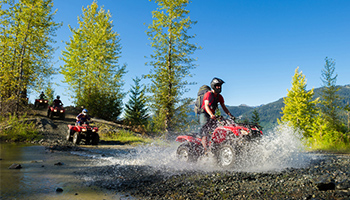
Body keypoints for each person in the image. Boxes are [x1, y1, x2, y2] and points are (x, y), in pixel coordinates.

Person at [199, 77, 234, 153]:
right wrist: (211, 114)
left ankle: (214, 146)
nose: (219, 87)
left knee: (216, 128)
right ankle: (205, 150)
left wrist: (230, 115)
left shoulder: (220, 97)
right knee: (205, 129)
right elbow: (206, 106)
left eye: (220, 86)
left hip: (212, 114)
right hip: (204, 113)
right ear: (213, 86)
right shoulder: (208, 94)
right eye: (217, 85)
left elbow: (224, 107)